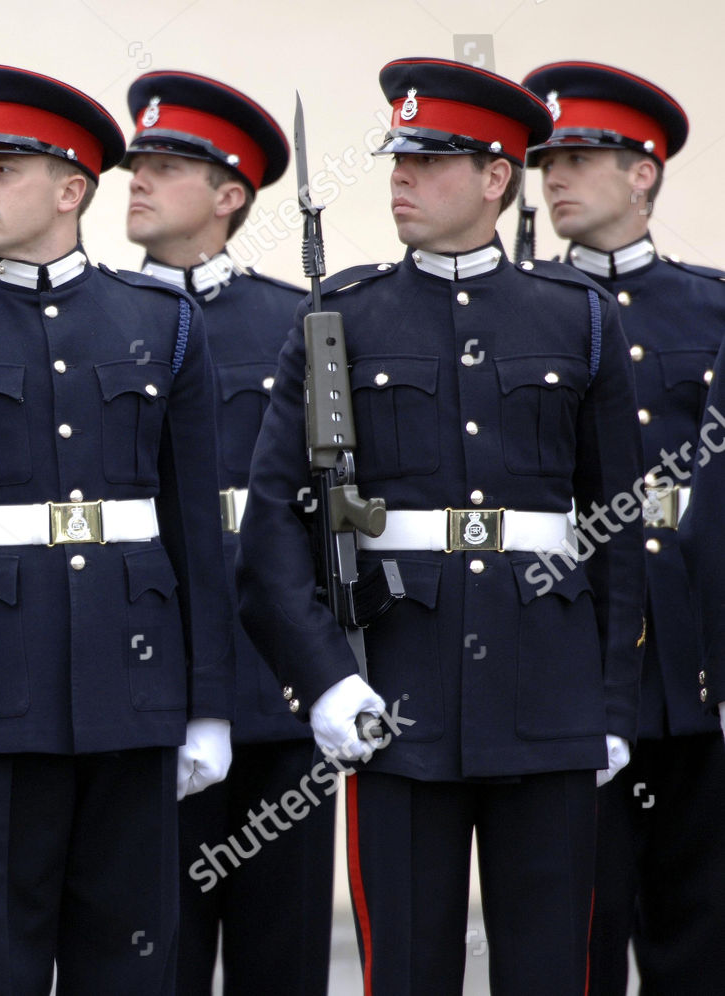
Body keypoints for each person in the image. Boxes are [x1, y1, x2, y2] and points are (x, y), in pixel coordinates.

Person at [237, 57, 645, 995]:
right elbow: (271, 536)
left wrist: (613, 707)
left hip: (548, 699)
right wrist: (327, 684)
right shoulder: (338, 318)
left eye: (430, 162)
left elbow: (616, 530)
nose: (401, 180)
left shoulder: (577, 320)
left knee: (550, 968)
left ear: (498, 177)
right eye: (397, 161)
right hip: (396, 693)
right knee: (409, 968)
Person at [0, 64, 233, 994]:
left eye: (6, 168)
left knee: (131, 963)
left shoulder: (163, 326)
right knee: (2, 965)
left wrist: (209, 702)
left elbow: (196, 535)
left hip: (131, 692)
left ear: (72, 189)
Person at [120, 69, 330, 995]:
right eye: (137, 162)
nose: (138, 179)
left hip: (274, 680)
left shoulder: (299, 323)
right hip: (145, 681)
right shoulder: (100, 322)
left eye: (165, 165)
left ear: (231, 194)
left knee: (278, 957)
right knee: (152, 955)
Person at [522, 60, 725, 996]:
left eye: (579, 156)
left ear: (643, 172)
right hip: (572, 665)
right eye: (546, 159)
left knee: (701, 932)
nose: (553, 176)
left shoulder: (712, 306)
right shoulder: (527, 314)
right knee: (579, 936)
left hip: (694, 669)